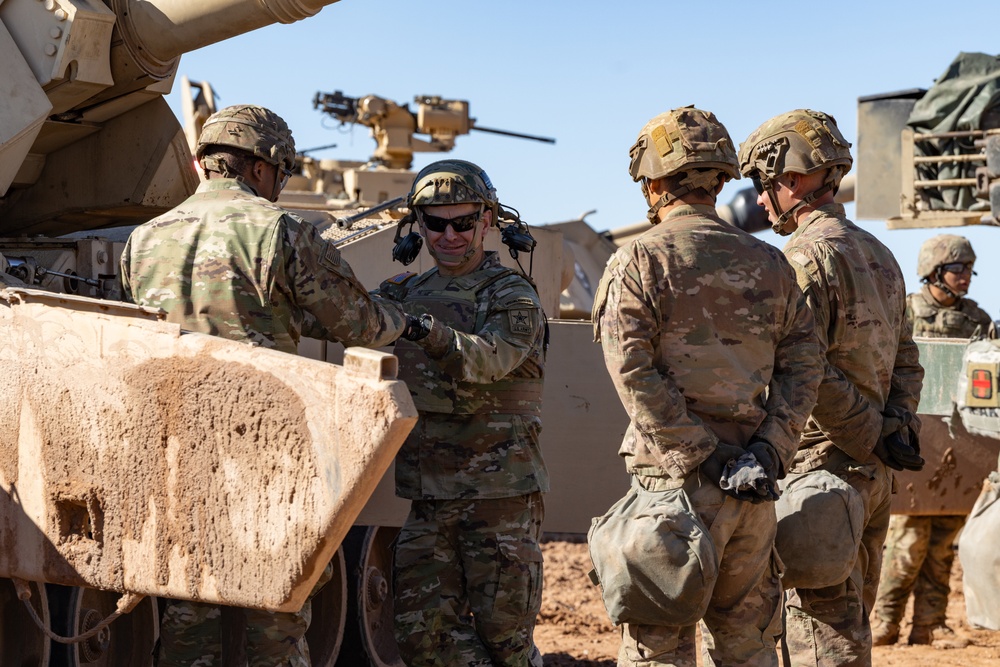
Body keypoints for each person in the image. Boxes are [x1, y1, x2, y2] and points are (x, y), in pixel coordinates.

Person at [120, 104, 407, 667]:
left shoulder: (143, 239)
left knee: (187, 611)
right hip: (262, 452)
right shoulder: (282, 232)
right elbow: (360, 326)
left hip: (174, 451)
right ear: (260, 168)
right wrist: (399, 309)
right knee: (276, 612)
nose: (279, 185)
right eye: (282, 172)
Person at [593, 106, 823, 667]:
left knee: (659, 651)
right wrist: (767, 450)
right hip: (751, 491)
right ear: (720, 178)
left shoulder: (639, 261)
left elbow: (633, 372)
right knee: (748, 649)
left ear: (652, 183)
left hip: (672, 490)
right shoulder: (771, 263)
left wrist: (704, 455)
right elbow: (804, 367)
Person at [739, 109, 925, 667]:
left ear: (793, 179)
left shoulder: (802, 257)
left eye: (765, 185)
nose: (762, 201)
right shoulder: (878, 253)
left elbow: (805, 369)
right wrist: (895, 427)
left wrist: (869, 432)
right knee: (852, 625)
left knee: (822, 635)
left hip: (819, 471)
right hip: (873, 474)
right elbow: (908, 359)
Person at [375, 159, 548, 667]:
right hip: (429, 494)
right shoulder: (400, 292)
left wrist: (421, 330)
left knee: (507, 643)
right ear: (417, 226)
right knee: (421, 639)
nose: (448, 235)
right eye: (434, 223)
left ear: (488, 220)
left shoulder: (512, 294)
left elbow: (488, 360)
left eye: (463, 222)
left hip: (500, 498)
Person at [871, 234, 994, 649]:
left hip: (959, 446)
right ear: (935, 271)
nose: (966, 278)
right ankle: (885, 623)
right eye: (958, 269)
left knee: (943, 543)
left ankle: (930, 624)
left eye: (968, 270)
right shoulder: (905, 311)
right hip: (914, 435)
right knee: (906, 543)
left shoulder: (979, 321)